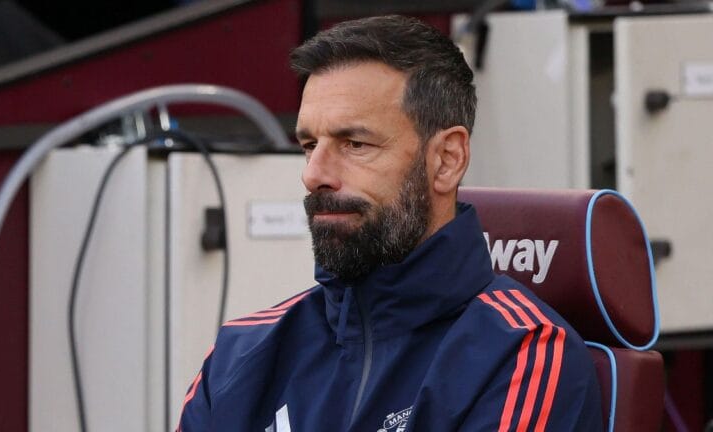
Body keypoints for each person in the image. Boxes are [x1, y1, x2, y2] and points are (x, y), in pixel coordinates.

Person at [178, 15, 602, 431]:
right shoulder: (240, 355)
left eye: (354, 143)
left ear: (446, 160)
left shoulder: (521, 356)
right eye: (309, 144)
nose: (313, 174)